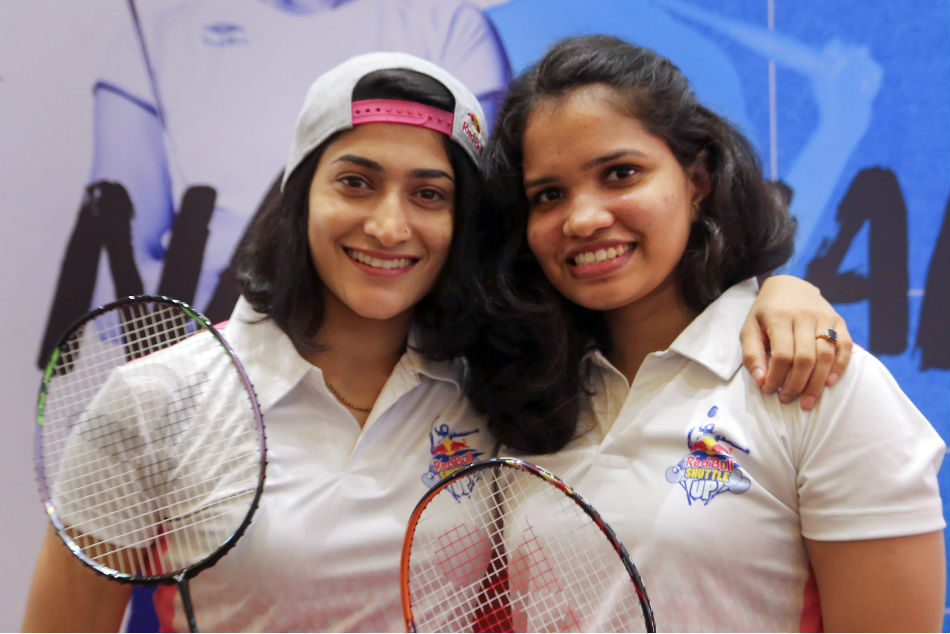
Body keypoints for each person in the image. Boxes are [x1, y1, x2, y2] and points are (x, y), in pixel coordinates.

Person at [23, 51, 853, 632]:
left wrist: (778, 289)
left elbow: (658, 333)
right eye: (355, 181)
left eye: (430, 192)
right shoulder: (158, 399)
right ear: (300, 193)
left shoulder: (504, 383)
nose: (389, 225)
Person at [469, 34, 946, 631]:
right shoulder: (525, 399)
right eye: (549, 195)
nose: (584, 218)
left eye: (620, 173)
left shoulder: (814, 379)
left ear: (696, 182)